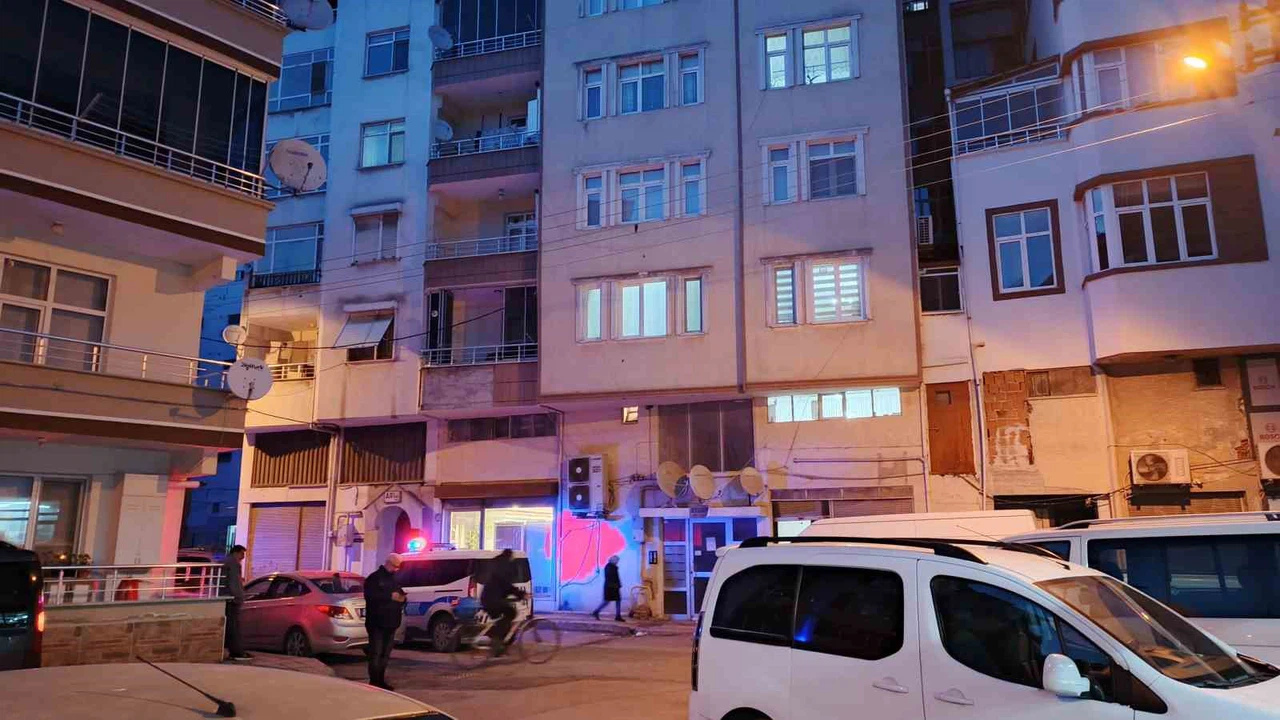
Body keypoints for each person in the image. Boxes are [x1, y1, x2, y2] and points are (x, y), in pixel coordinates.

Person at [364, 553, 406, 690]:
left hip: (391, 622)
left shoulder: (394, 579)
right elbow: (370, 596)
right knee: (376, 653)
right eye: (395, 566)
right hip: (377, 622)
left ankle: (380, 680)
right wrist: (389, 596)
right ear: (388, 563)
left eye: (398, 567)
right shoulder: (374, 578)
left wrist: (402, 599)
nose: (396, 569)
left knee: (385, 654)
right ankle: (374, 681)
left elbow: (400, 594)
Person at [479, 549, 524, 657]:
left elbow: (503, 586)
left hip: (488, 598)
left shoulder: (497, 564)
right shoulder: (503, 567)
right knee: (511, 612)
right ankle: (496, 641)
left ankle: (498, 644)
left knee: (501, 619)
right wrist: (521, 594)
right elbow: (506, 585)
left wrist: (518, 594)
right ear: (509, 556)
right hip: (492, 599)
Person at [221, 545, 250, 661]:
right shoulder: (233, 564)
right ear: (236, 553)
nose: (243, 557)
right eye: (242, 554)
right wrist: (238, 596)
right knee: (233, 626)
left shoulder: (226, 562)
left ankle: (235, 650)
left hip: (226, 596)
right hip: (231, 598)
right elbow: (234, 582)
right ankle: (237, 651)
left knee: (231, 625)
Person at [592, 555, 624, 622]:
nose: (617, 562)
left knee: (611, 601)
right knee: (609, 601)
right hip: (612, 587)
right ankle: (597, 611)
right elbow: (613, 578)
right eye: (616, 560)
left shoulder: (610, 567)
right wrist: (617, 585)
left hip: (611, 587)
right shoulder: (611, 567)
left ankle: (617, 615)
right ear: (613, 560)